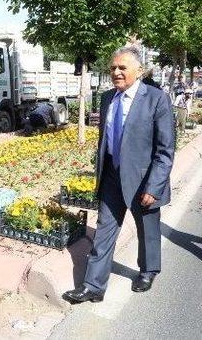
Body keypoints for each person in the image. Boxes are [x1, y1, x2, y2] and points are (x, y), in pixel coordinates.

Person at [63, 46, 175, 304]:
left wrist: (154, 186)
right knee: (104, 229)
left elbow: (165, 149)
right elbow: (106, 140)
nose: (116, 72)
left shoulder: (156, 99)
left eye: (122, 68)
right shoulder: (106, 98)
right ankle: (93, 286)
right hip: (112, 175)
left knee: (147, 228)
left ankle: (148, 270)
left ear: (139, 71)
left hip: (143, 179)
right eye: (113, 68)